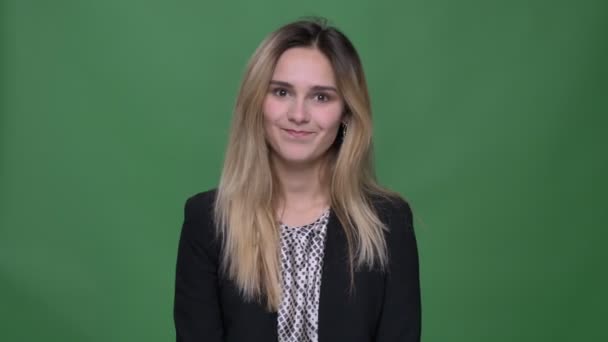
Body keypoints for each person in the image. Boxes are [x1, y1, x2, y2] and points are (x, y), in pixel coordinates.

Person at [174, 18, 421, 342]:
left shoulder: (388, 222)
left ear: (346, 112)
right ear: (256, 102)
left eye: (321, 97)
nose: (299, 114)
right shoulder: (208, 221)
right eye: (281, 92)